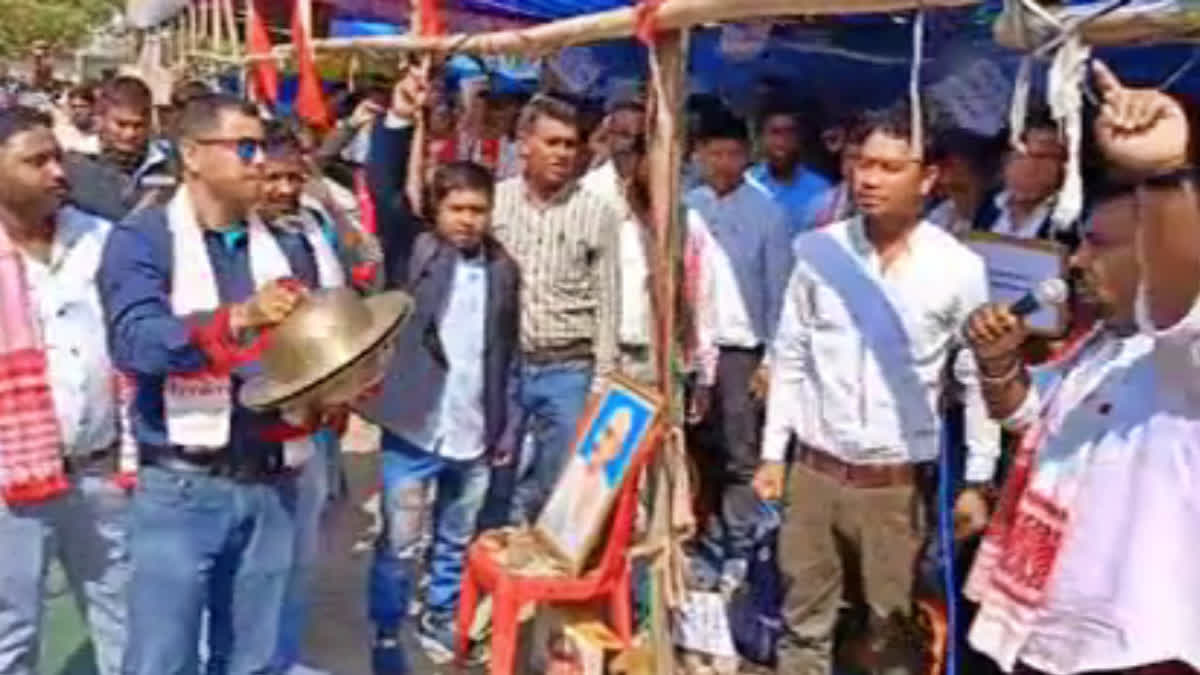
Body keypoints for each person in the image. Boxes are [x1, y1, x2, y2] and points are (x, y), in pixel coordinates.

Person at [962, 62, 1200, 675]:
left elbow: (1182, 300)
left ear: (1154, 256)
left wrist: (1161, 172)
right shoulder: (1099, 346)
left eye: (1100, 243)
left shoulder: (1182, 359)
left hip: (1135, 652)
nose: (1078, 259)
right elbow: (1025, 414)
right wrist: (996, 363)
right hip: (1046, 635)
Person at [755, 102, 1001, 674]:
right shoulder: (818, 253)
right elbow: (790, 357)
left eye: (890, 167)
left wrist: (979, 481)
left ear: (928, 178)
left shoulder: (958, 267)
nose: (869, 179)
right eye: (863, 163)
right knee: (803, 627)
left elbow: (976, 377)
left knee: (891, 636)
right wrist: (773, 454)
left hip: (892, 486)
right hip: (814, 472)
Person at [99, 94, 338, 675]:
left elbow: (306, 354)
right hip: (182, 490)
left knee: (252, 660)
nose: (260, 163)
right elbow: (138, 343)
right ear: (192, 155)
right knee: (162, 659)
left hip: (273, 478)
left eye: (263, 147)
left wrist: (332, 385)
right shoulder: (144, 239)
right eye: (245, 148)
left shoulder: (287, 244)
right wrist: (237, 318)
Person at [361, 67, 522, 672]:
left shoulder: (504, 269)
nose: (467, 220)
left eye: (478, 210)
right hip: (414, 423)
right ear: (439, 210)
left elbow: (508, 353)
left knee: (456, 540)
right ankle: (385, 630)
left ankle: (440, 617)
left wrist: (505, 426)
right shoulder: (418, 251)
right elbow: (381, 184)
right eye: (457, 208)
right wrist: (400, 117)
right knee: (401, 543)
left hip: (474, 430)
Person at [0, 106, 133, 675]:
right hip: (9, 485)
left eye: (58, 157)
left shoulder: (99, 239)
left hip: (101, 471)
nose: (58, 172)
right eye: (37, 161)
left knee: (124, 618)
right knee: (11, 630)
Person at [490, 94, 621, 526]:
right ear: (524, 144)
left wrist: (601, 382)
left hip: (569, 368)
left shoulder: (596, 213)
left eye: (571, 144)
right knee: (496, 477)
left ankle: (546, 583)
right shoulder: (494, 204)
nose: (563, 153)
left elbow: (608, 300)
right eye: (553, 143)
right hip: (506, 366)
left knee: (561, 485)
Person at [685, 109, 792, 589]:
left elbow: (780, 292)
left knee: (740, 455)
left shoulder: (767, 213)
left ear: (747, 157)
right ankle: (696, 542)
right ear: (698, 156)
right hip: (691, 350)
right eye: (714, 153)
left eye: (732, 153)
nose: (723, 162)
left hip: (740, 353)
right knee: (693, 451)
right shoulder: (688, 206)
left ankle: (735, 550)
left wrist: (771, 360)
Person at [64, 76, 176, 222]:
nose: (129, 134)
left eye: (138, 125)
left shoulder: (170, 164)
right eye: (121, 124)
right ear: (101, 118)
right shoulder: (72, 165)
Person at [974, 107, 1078, 248]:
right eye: (1020, 156)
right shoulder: (987, 206)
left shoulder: (1073, 221)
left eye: (1042, 157)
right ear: (1005, 160)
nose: (1030, 167)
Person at [745, 103, 832, 238]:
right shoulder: (746, 185)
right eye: (775, 132)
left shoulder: (821, 189)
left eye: (790, 132)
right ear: (761, 139)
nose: (782, 140)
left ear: (799, 138)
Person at [579, 94, 646, 213]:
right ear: (609, 134)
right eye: (625, 134)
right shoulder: (591, 187)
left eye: (641, 137)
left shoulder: (659, 185)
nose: (633, 143)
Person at [54, 82, 100, 155]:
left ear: (92, 108)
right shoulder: (59, 132)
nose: (77, 111)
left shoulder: (101, 133)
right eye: (74, 107)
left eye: (82, 106)